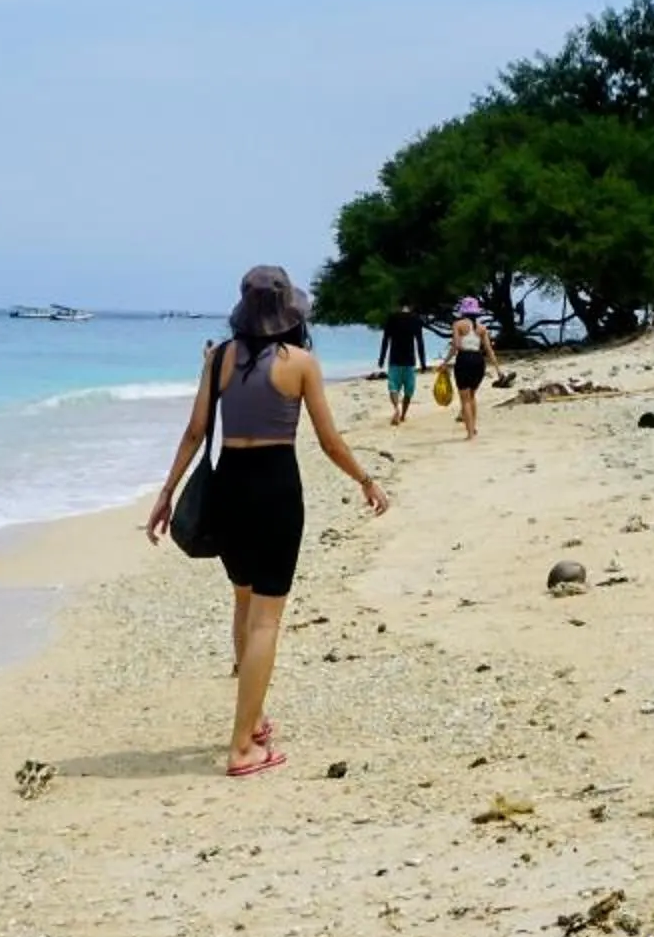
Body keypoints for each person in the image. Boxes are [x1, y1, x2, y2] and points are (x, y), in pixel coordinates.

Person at [145, 265, 389, 778]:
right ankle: (242, 748)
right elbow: (327, 440)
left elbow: (194, 432)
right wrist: (366, 479)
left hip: (230, 484)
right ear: (288, 314)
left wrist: (166, 493)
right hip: (276, 488)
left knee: (244, 600)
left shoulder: (217, 360)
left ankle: (253, 720)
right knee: (267, 617)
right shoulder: (300, 362)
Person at [440, 296, 495, 441]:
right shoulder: (482, 328)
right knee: (472, 396)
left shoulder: (458, 325)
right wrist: (497, 368)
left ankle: (470, 433)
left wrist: (445, 362)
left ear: (463, 311)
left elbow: (456, 346)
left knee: (464, 399)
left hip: (464, 359)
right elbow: (488, 349)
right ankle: (473, 427)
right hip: (478, 361)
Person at [377, 301, 434, 425]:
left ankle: (396, 408)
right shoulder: (415, 319)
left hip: (394, 359)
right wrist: (423, 362)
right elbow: (420, 342)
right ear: (411, 306)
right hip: (409, 360)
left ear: (398, 306)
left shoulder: (392, 318)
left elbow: (385, 340)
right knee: (409, 390)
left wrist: (381, 358)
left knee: (393, 387)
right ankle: (403, 415)